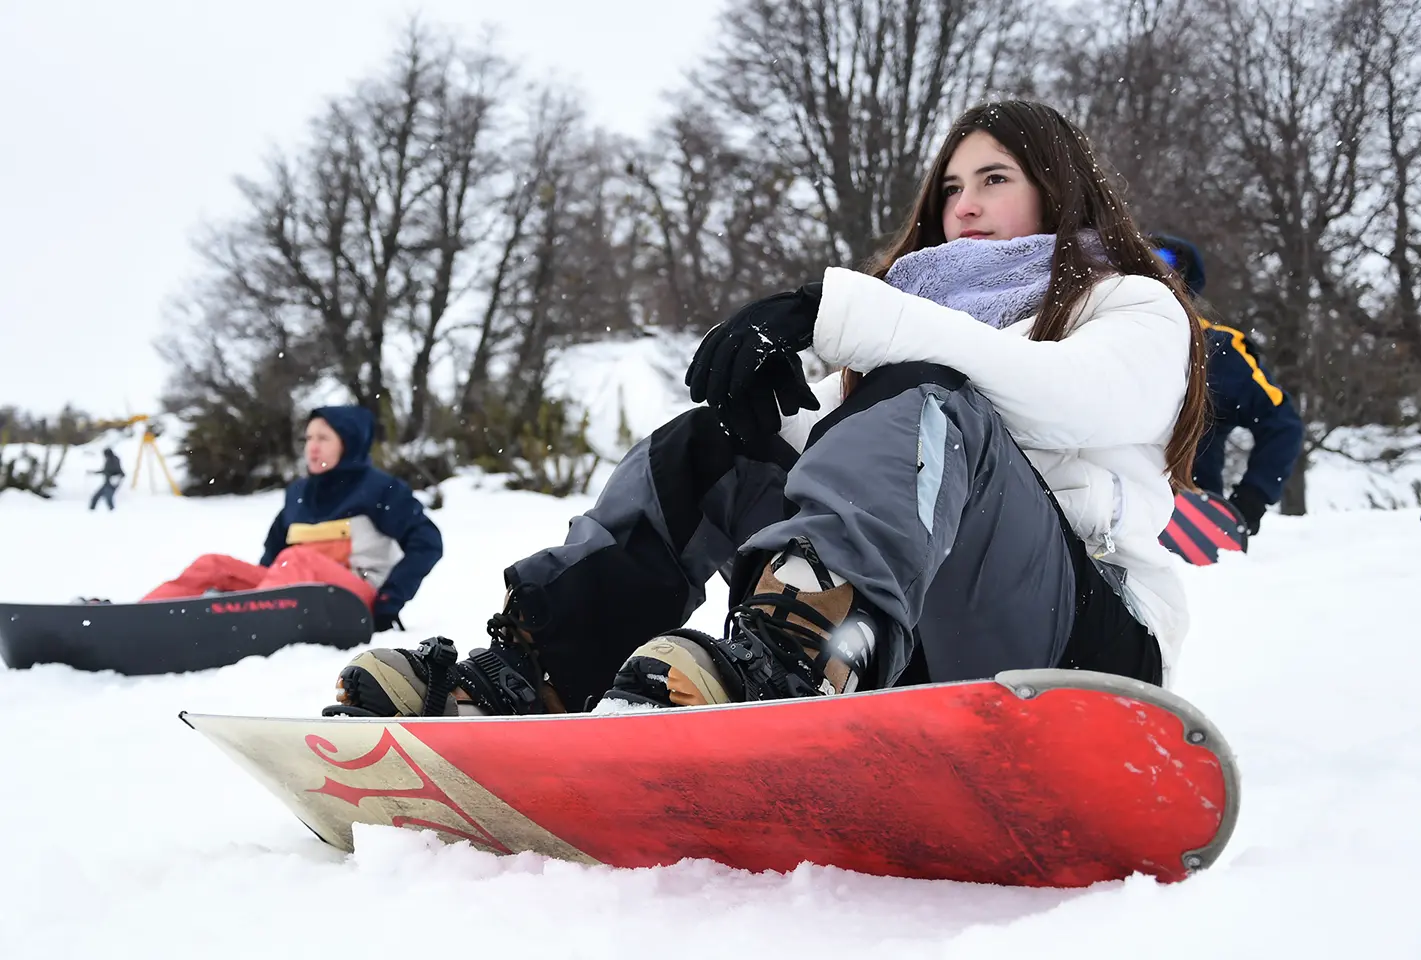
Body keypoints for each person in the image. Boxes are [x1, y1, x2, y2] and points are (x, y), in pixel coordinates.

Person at [325, 99, 1208, 719]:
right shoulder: (913, 330)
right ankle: (539, 666)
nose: (964, 205)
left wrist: (839, 314)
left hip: (1086, 655)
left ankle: (795, 657)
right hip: (918, 642)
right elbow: (845, 469)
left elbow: (1062, 407)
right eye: (949, 186)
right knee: (717, 446)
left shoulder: (1127, 304)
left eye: (994, 178)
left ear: (1056, 188)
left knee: (928, 394)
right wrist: (762, 421)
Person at [141, 406, 442, 632]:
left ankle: (243, 626)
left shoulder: (380, 489)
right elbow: (273, 556)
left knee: (298, 558)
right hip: (290, 597)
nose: (312, 446)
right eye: (309, 437)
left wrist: (389, 601)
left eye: (323, 438)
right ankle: (143, 618)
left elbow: (427, 542)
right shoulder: (299, 493)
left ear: (348, 442)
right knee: (214, 564)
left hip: (355, 600)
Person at [1147, 234, 1303, 534]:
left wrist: (1252, 498)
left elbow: (1282, 424)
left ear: (1185, 287)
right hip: (1096, 521)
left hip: (1188, 532)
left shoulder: (1218, 350)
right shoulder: (1089, 336)